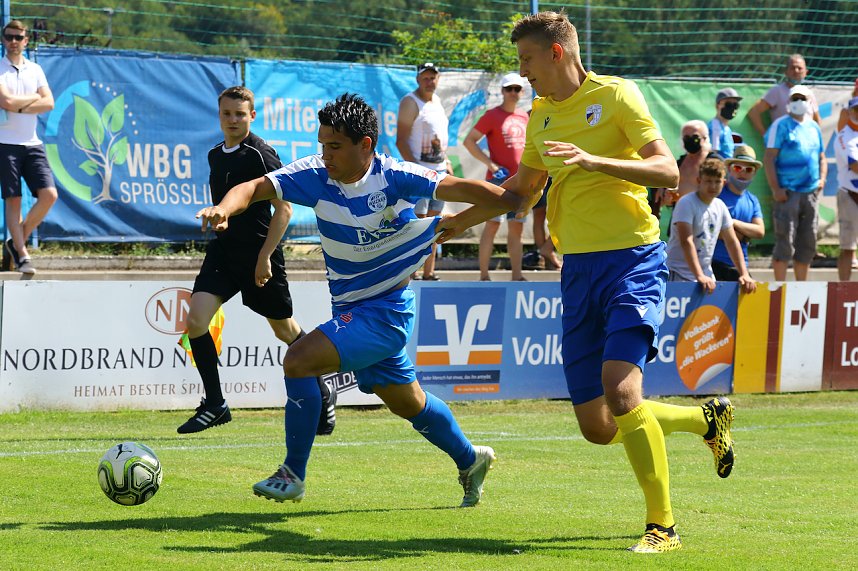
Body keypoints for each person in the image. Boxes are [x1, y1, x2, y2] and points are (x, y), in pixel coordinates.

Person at [438, 11, 739, 553]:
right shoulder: (541, 117)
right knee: (598, 426)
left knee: (624, 392)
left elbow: (669, 172)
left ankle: (663, 527)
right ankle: (705, 419)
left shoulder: (618, 96)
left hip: (633, 260)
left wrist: (594, 160)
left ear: (556, 53)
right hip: (578, 271)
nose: (522, 72)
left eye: (526, 60)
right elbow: (519, 194)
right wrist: (461, 218)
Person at [196, 93, 526, 507]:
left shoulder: (395, 176)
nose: (325, 155)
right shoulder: (315, 174)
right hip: (352, 309)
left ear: (365, 145)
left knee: (298, 358)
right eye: (322, 145)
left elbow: (459, 188)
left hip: (386, 313)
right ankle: (470, 458)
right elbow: (252, 187)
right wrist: (225, 207)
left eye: (335, 146)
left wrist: (515, 200)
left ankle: (292, 473)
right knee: (409, 403)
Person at [177, 86, 335, 436]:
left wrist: (265, 257)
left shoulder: (261, 154)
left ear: (252, 116)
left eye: (239, 114)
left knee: (283, 329)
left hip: (259, 254)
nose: (233, 120)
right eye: (227, 114)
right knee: (196, 320)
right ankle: (216, 404)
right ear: (219, 115)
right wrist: (221, 217)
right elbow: (229, 204)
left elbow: (285, 209)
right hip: (224, 251)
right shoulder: (216, 154)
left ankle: (323, 389)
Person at [0, 20, 57, 275]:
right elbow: (6, 101)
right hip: (5, 144)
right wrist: (33, 99)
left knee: (49, 195)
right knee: (14, 200)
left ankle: (16, 240)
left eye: (18, 37)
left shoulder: (35, 69)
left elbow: (50, 103)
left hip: (32, 143)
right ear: (3, 40)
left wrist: (19, 105)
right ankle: (22, 254)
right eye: (9, 36)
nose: (13, 41)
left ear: (26, 41)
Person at [463, 72, 530, 281]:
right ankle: (483, 275)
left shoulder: (524, 116)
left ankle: (517, 276)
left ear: (521, 92)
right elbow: (469, 140)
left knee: (516, 227)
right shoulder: (492, 115)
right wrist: (490, 163)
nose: (512, 93)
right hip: (498, 179)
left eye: (516, 89)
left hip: (521, 180)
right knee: (492, 225)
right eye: (508, 89)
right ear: (502, 91)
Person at [665, 157, 757, 294]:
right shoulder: (686, 203)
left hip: (706, 276)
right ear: (699, 181)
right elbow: (686, 241)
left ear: (723, 183)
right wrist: (699, 276)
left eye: (717, 182)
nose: (713, 186)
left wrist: (744, 273)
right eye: (708, 181)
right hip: (678, 273)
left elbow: (732, 242)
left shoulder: (720, 206)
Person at [763, 84, 826, 282]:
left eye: (802, 98)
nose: (798, 102)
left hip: (810, 193)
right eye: (794, 99)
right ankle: (781, 289)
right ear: (789, 103)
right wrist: (776, 189)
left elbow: (821, 157)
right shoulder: (780, 125)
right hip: (787, 193)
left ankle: (801, 287)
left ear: (810, 103)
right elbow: (768, 159)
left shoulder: (814, 127)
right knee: (784, 243)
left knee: (807, 243)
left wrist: (821, 180)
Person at [396, 62, 451, 281]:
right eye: (425, 78)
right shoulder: (410, 102)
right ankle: (412, 271)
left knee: (435, 225)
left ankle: (429, 272)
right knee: (417, 225)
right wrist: (416, 170)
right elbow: (401, 141)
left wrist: (446, 162)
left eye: (433, 77)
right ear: (418, 79)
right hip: (420, 177)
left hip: (439, 174)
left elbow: (439, 139)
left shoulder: (437, 101)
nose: (430, 81)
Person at [712, 145, 766, 281]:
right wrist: (744, 234)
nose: (743, 173)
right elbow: (710, 229)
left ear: (754, 173)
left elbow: (759, 231)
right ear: (729, 169)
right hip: (714, 265)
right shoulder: (717, 194)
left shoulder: (752, 200)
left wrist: (731, 223)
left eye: (748, 169)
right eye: (738, 168)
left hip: (741, 267)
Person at [748, 54, 821, 138]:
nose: (796, 71)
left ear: (806, 72)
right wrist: (766, 135)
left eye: (800, 68)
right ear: (786, 72)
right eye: (792, 68)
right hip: (784, 145)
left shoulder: (809, 93)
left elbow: (817, 119)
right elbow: (754, 112)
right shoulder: (777, 91)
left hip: (806, 143)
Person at [834, 96, 858, 281]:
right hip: (851, 195)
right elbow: (855, 165)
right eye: (856, 110)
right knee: (848, 247)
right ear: (849, 113)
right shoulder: (844, 136)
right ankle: (844, 287)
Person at [708, 88, 742, 159]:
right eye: (728, 104)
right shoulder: (715, 126)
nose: (732, 108)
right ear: (717, 106)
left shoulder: (726, 128)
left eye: (735, 105)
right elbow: (713, 154)